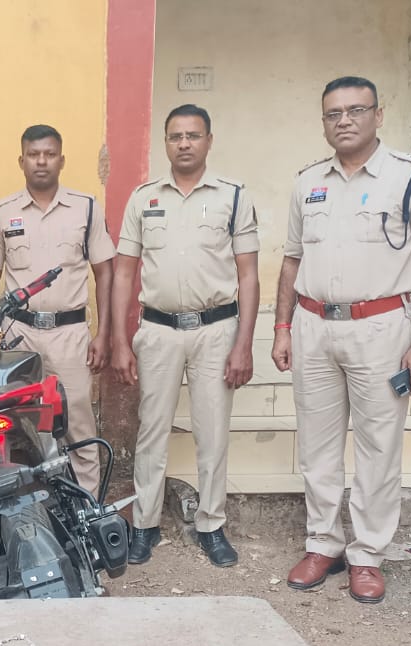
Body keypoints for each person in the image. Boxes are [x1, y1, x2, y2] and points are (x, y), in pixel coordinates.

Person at [273, 77, 411, 604]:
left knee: (378, 446)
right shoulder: (308, 182)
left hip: (381, 329)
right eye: (333, 113)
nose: (344, 120)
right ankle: (323, 544)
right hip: (313, 326)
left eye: (355, 110)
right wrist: (282, 328)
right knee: (317, 445)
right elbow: (291, 261)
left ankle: (368, 553)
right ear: (323, 122)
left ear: (378, 114)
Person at [110, 104, 260, 569]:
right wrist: (120, 340)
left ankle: (211, 525)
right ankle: (145, 524)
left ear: (209, 140)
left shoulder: (233, 196)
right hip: (158, 331)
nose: (184, 144)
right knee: (152, 431)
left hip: (216, 330)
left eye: (193, 135)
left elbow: (249, 275)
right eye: (176, 136)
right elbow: (123, 273)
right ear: (166, 143)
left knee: (211, 433)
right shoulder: (143, 198)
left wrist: (243, 343)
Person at [0, 124, 114, 494]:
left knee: (78, 426)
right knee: (20, 428)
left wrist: (103, 334)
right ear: (21, 161)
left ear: (61, 160)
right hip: (18, 337)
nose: (41, 161)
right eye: (33, 154)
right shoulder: (1, 212)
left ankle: (89, 507)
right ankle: (33, 510)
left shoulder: (86, 208)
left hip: (70, 335)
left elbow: (105, 272)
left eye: (49, 154)